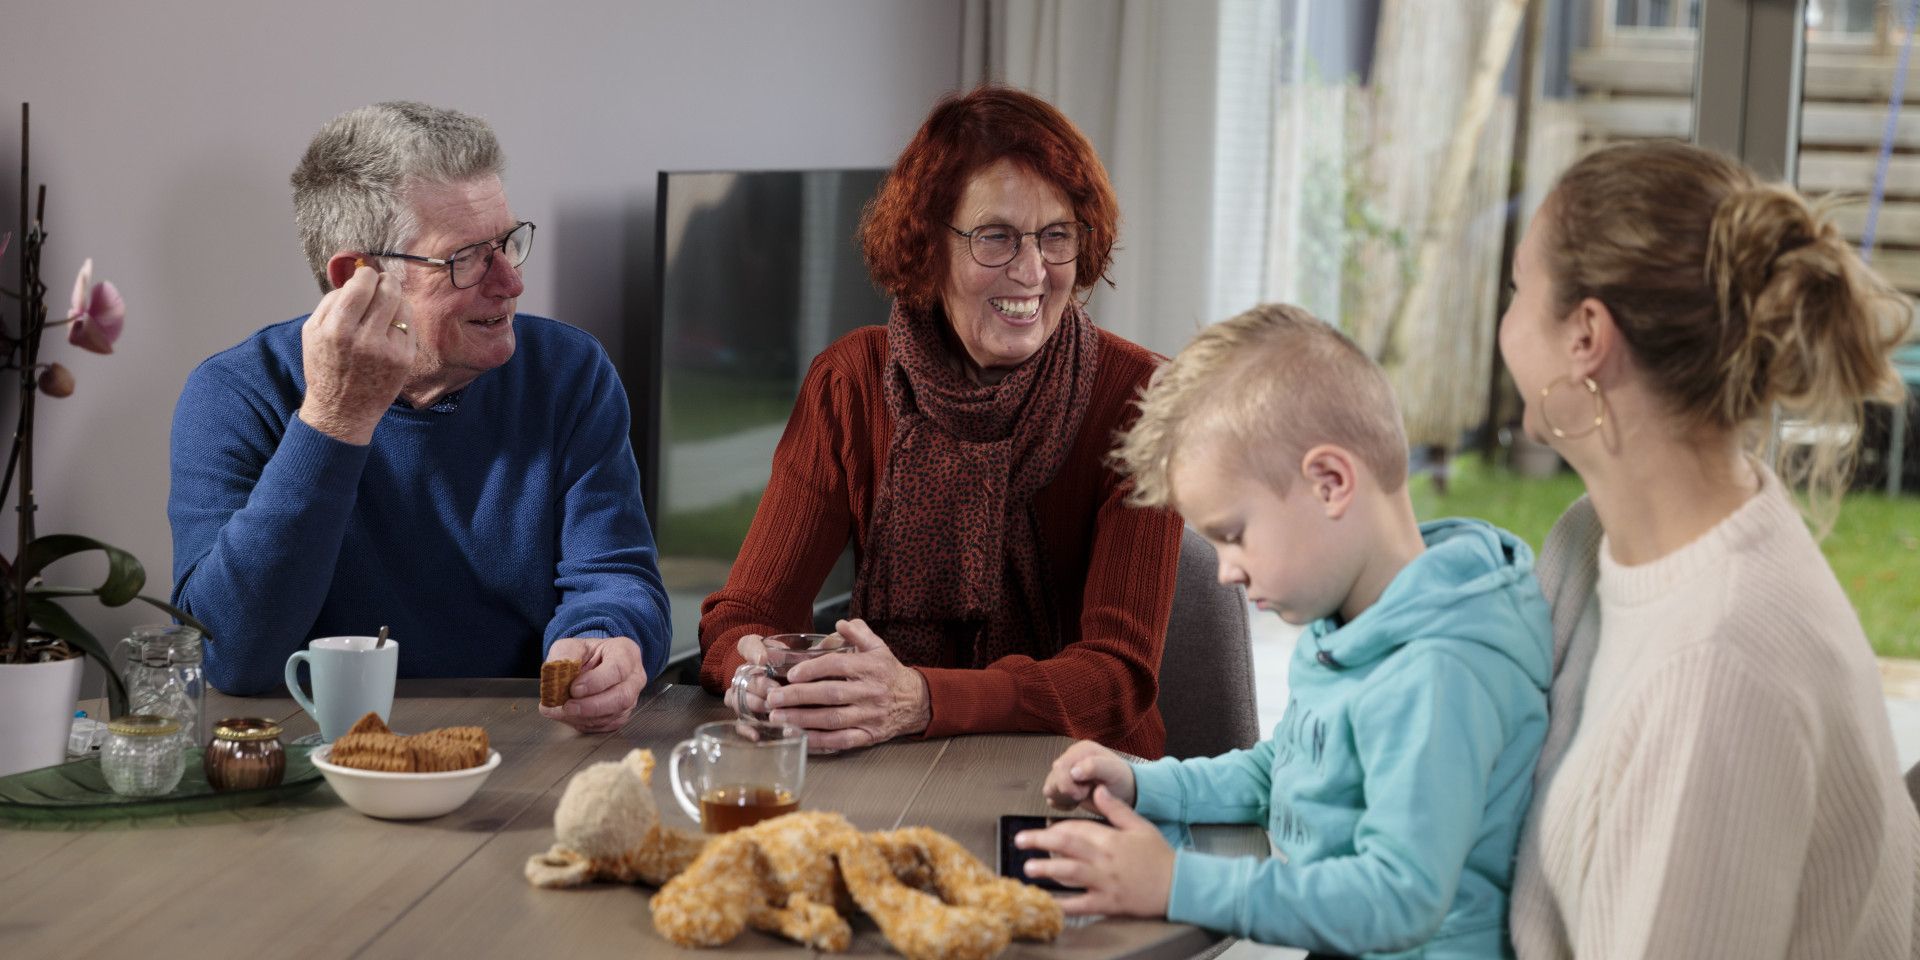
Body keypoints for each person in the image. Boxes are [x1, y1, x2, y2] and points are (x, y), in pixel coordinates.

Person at [1021, 304, 1553, 959]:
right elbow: (1285, 770)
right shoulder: (1359, 619)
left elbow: (1398, 899)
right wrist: (1145, 783)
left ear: (1330, 483)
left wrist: (1176, 883)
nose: (1224, 572)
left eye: (1233, 535)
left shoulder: (1438, 672)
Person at [1500, 140, 1919, 958]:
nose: (1507, 325)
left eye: (1518, 291)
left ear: (1587, 334)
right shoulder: (1594, 542)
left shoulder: (1718, 670)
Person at [698, 86, 1184, 756]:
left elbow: (1116, 679)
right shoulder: (851, 382)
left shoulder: (1140, 400)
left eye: (1056, 235)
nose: (1033, 271)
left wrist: (923, 698)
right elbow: (746, 615)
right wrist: (753, 672)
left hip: (1085, 778)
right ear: (929, 245)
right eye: (996, 237)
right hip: (884, 759)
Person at [169, 101, 669, 733]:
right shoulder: (235, 394)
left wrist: (608, 638)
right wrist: (335, 418)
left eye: (508, 243)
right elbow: (233, 657)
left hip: (522, 737)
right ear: (359, 277)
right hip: (310, 751)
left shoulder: (568, 371)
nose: (511, 282)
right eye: (466, 258)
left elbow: (616, 576)